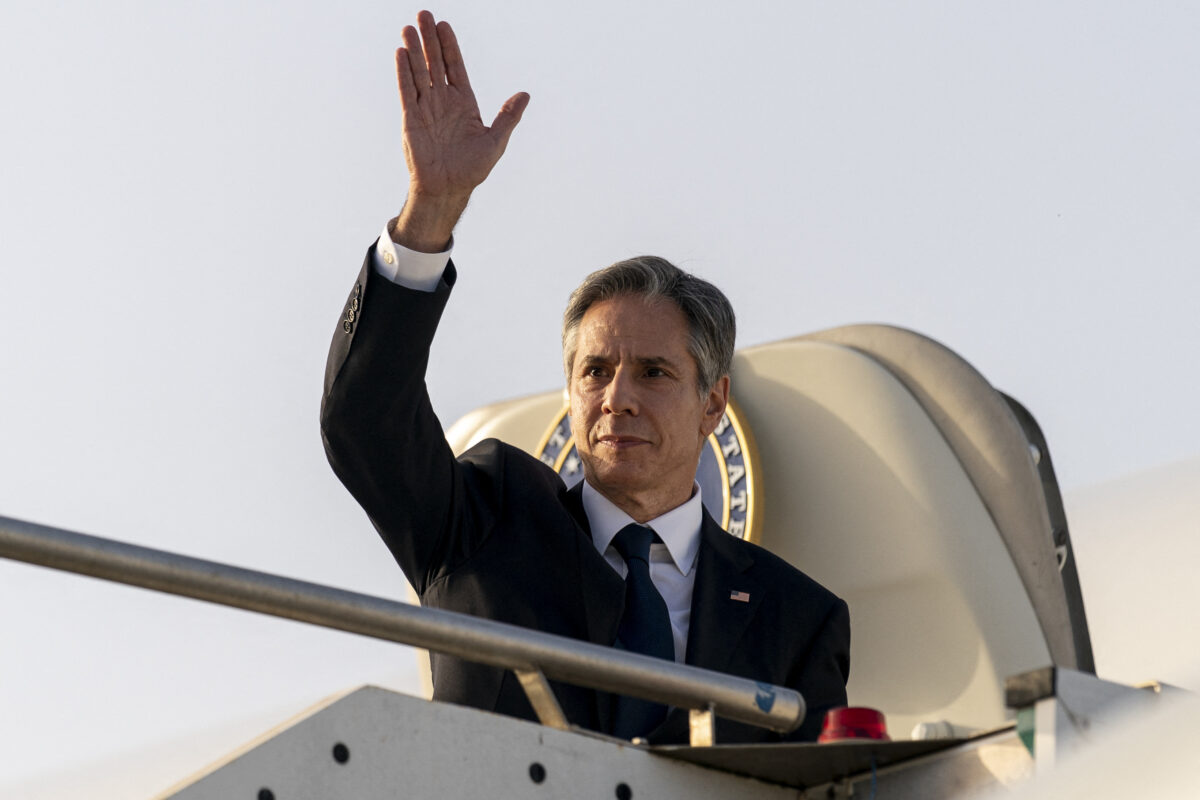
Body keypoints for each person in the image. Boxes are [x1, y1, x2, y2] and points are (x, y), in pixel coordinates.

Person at [321, 11, 849, 743]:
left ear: (713, 403)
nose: (617, 398)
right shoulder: (484, 526)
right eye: (595, 371)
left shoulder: (797, 615)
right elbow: (366, 423)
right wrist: (430, 213)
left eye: (654, 372)